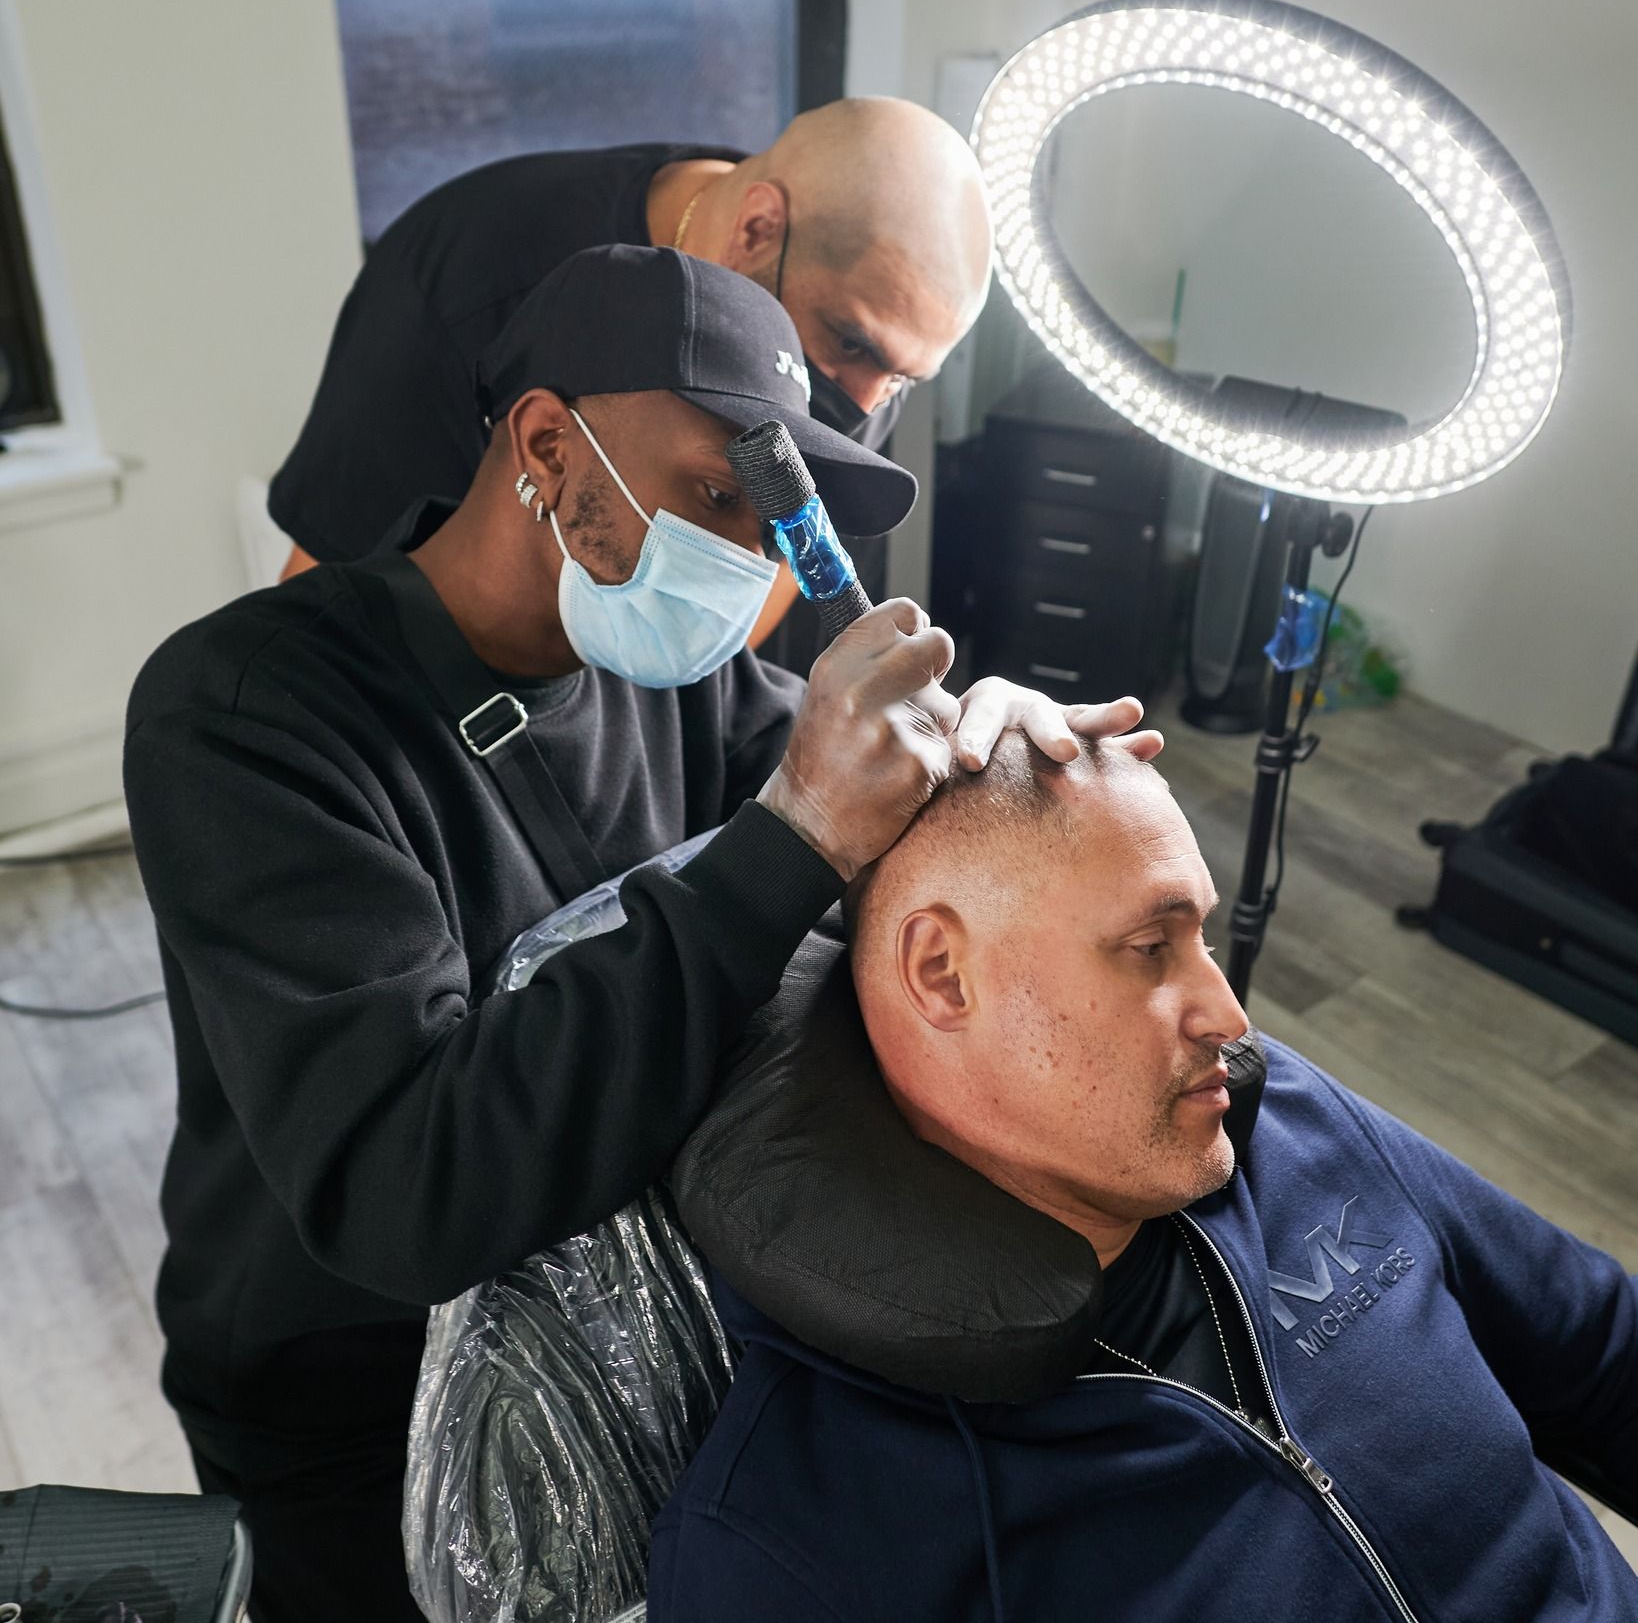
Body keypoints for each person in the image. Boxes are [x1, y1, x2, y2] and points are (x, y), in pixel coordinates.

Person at [125, 246, 1153, 1623]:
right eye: (711, 496)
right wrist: (787, 841)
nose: (736, 566)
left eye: (763, 526)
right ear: (546, 445)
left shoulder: (680, 680)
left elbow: (884, 848)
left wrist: (989, 766)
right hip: (344, 1401)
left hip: (618, 1343)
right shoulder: (250, 715)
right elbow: (407, 1189)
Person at [649, 733, 1638, 1622]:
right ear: (944, 973)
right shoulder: (800, 1535)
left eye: (1202, 938)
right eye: (1149, 947)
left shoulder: (1284, 1119)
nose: (1233, 1016)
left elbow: (1605, 1353)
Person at [269, 97, 994, 666]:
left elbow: (765, 578)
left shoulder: (857, 340)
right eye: (851, 343)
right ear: (755, 229)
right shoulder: (469, 284)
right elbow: (319, 612)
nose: (863, 405)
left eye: (902, 380)